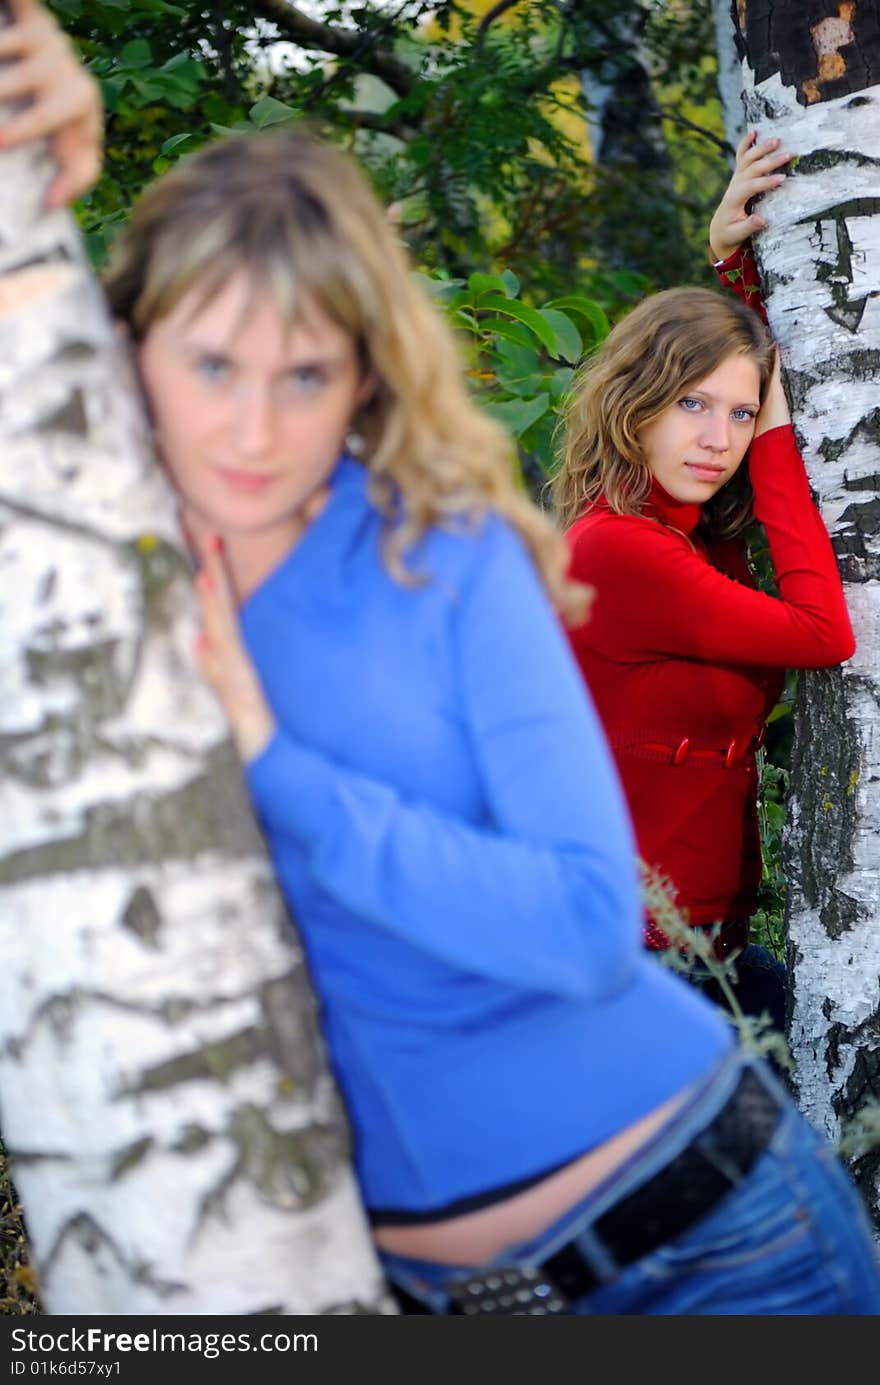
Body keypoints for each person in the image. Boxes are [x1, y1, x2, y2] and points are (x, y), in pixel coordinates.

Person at [6, 2, 880, 1317]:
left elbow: (590, 927)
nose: (251, 426)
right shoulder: (87, 552)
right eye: (209, 365)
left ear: (366, 375)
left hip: (705, 1249)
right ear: (131, 353)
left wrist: (269, 760)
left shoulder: (447, 554)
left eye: (306, 374)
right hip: (393, 1290)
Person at [553, 138, 854, 1037]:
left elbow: (746, 356)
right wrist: (773, 437)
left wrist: (737, 265)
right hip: (628, 968)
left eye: (739, 412)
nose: (718, 438)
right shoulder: (619, 552)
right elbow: (821, 633)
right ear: (636, 399)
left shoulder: (692, 537)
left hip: (707, 954)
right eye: (692, 405)